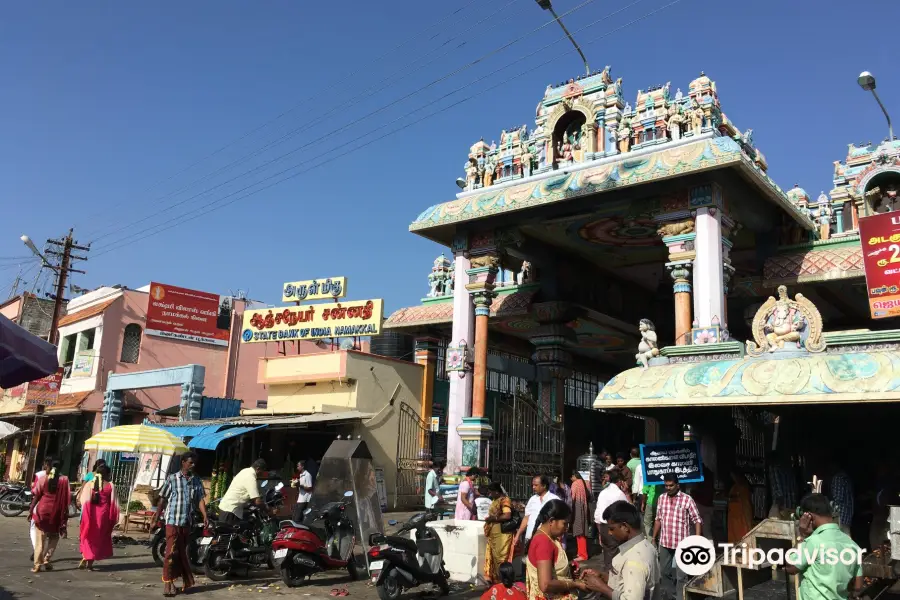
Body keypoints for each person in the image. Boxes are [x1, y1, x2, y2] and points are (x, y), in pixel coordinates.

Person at [151, 452, 208, 598]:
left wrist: (205, 516)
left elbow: (200, 499)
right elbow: (162, 500)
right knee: (170, 553)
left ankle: (175, 582)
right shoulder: (172, 479)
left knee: (180, 554)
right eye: (190, 462)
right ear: (183, 462)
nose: (193, 465)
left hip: (186, 523)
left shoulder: (196, 480)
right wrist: (156, 517)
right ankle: (167, 583)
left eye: (194, 463)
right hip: (172, 521)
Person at [785, 493, 862, 600]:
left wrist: (802, 536)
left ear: (809, 516)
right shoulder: (853, 545)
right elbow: (857, 586)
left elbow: (790, 567)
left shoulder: (812, 542)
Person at [525, 499, 607, 600]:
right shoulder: (543, 542)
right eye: (564, 523)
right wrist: (575, 584)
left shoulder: (548, 537)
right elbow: (545, 585)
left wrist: (568, 571)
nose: (567, 528)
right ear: (551, 521)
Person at [653, 473, 702, 600]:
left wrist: (696, 539)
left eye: (671, 485)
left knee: (681, 576)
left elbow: (697, 520)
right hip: (665, 542)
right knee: (664, 572)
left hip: (682, 543)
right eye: (666, 485)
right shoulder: (661, 498)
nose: (668, 488)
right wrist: (653, 537)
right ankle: (671, 596)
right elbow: (658, 519)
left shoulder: (687, 499)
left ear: (677, 485)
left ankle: (682, 597)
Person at [603, 500, 661, 600]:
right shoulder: (646, 545)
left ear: (625, 527)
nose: (609, 533)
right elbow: (632, 581)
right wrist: (604, 578)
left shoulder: (634, 560)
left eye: (612, 528)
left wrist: (601, 588)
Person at [29, 459, 71, 573]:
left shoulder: (43, 479)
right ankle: (47, 559)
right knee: (54, 536)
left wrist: (31, 509)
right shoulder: (65, 480)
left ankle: (37, 564)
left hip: (42, 511)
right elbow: (67, 499)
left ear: (49, 467)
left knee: (40, 538)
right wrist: (65, 514)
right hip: (57, 512)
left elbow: (37, 496)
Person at [78, 464, 119, 570]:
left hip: (90, 515)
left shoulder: (89, 485)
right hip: (103, 517)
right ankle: (90, 562)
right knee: (98, 538)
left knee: (88, 535)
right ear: (107, 474)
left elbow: (83, 501)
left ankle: (86, 555)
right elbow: (114, 503)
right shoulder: (110, 486)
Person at [594, 469, 628, 574]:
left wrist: (600, 531)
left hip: (603, 527)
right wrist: (626, 493)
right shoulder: (619, 494)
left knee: (607, 554)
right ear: (619, 481)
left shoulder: (603, 493)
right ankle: (611, 581)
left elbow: (597, 514)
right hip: (614, 527)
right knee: (616, 556)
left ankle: (607, 577)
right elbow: (628, 510)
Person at [219, 459, 269, 524]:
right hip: (230, 510)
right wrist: (268, 510)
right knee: (229, 533)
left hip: (227, 508)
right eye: (262, 471)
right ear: (258, 468)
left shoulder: (245, 471)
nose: (262, 474)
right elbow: (257, 501)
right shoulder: (251, 477)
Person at [515, 475, 560, 548]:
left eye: (536, 485)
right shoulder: (532, 499)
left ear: (544, 486)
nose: (533, 487)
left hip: (547, 539)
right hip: (530, 538)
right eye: (532, 485)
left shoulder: (554, 499)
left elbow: (559, 520)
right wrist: (518, 534)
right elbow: (526, 518)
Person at [483, 482, 514, 584]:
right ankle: (497, 580)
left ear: (497, 492)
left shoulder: (504, 500)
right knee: (494, 557)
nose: (490, 494)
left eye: (491, 492)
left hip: (502, 534)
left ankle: (503, 581)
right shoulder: (495, 500)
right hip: (494, 533)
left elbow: (507, 515)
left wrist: (493, 518)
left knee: (501, 558)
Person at [29, 456, 52, 563]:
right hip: (54, 508)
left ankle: (37, 549)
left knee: (34, 528)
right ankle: (45, 554)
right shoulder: (62, 478)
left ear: (45, 464)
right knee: (49, 532)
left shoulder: (40, 475)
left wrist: (31, 508)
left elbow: (35, 492)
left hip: (40, 506)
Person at [727, 470, 753, 544]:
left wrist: (749, 525)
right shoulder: (734, 488)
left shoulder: (742, 488)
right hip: (733, 521)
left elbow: (746, 505)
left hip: (741, 521)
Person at [569, 471, 591, 561]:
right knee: (582, 531)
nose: (571, 480)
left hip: (577, 507)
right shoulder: (585, 482)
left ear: (574, 476)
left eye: (571, 478)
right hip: (584, 507)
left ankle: (583, 554)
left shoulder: (575, 483)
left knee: (579, 532)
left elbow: (572, 497)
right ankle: (580, 552)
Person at [691, 466, 715, 540]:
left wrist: (693, 493)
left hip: (699, 505)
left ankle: (694, 546)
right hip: (708, 505)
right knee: (707, 531)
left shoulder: (699, 473)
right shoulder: (710, 473)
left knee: (693, 530)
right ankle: (710, 549)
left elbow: (694, 489)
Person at [829, 465, 854, 536]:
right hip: (847, 515)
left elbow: (837, 498)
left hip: (840, 516)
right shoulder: (846, 477)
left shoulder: (838, 478)